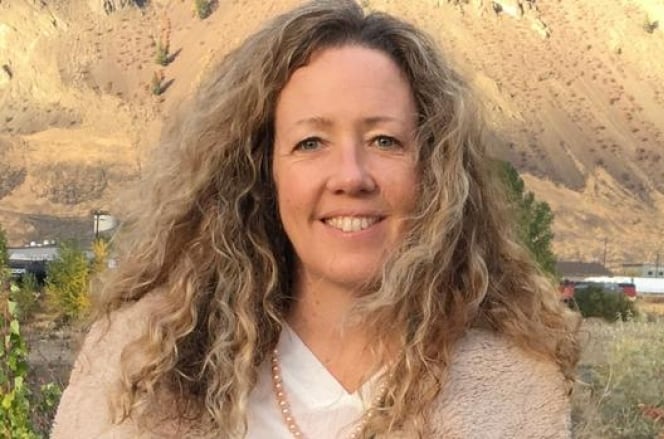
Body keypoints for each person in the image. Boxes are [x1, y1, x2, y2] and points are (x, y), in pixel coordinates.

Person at [52, 0, 580, 437]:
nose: (351, 176)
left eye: (384, 141)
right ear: (262, 171)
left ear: (436, 170)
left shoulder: (513, 397)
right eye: (311, 142)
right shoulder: (139, 373)